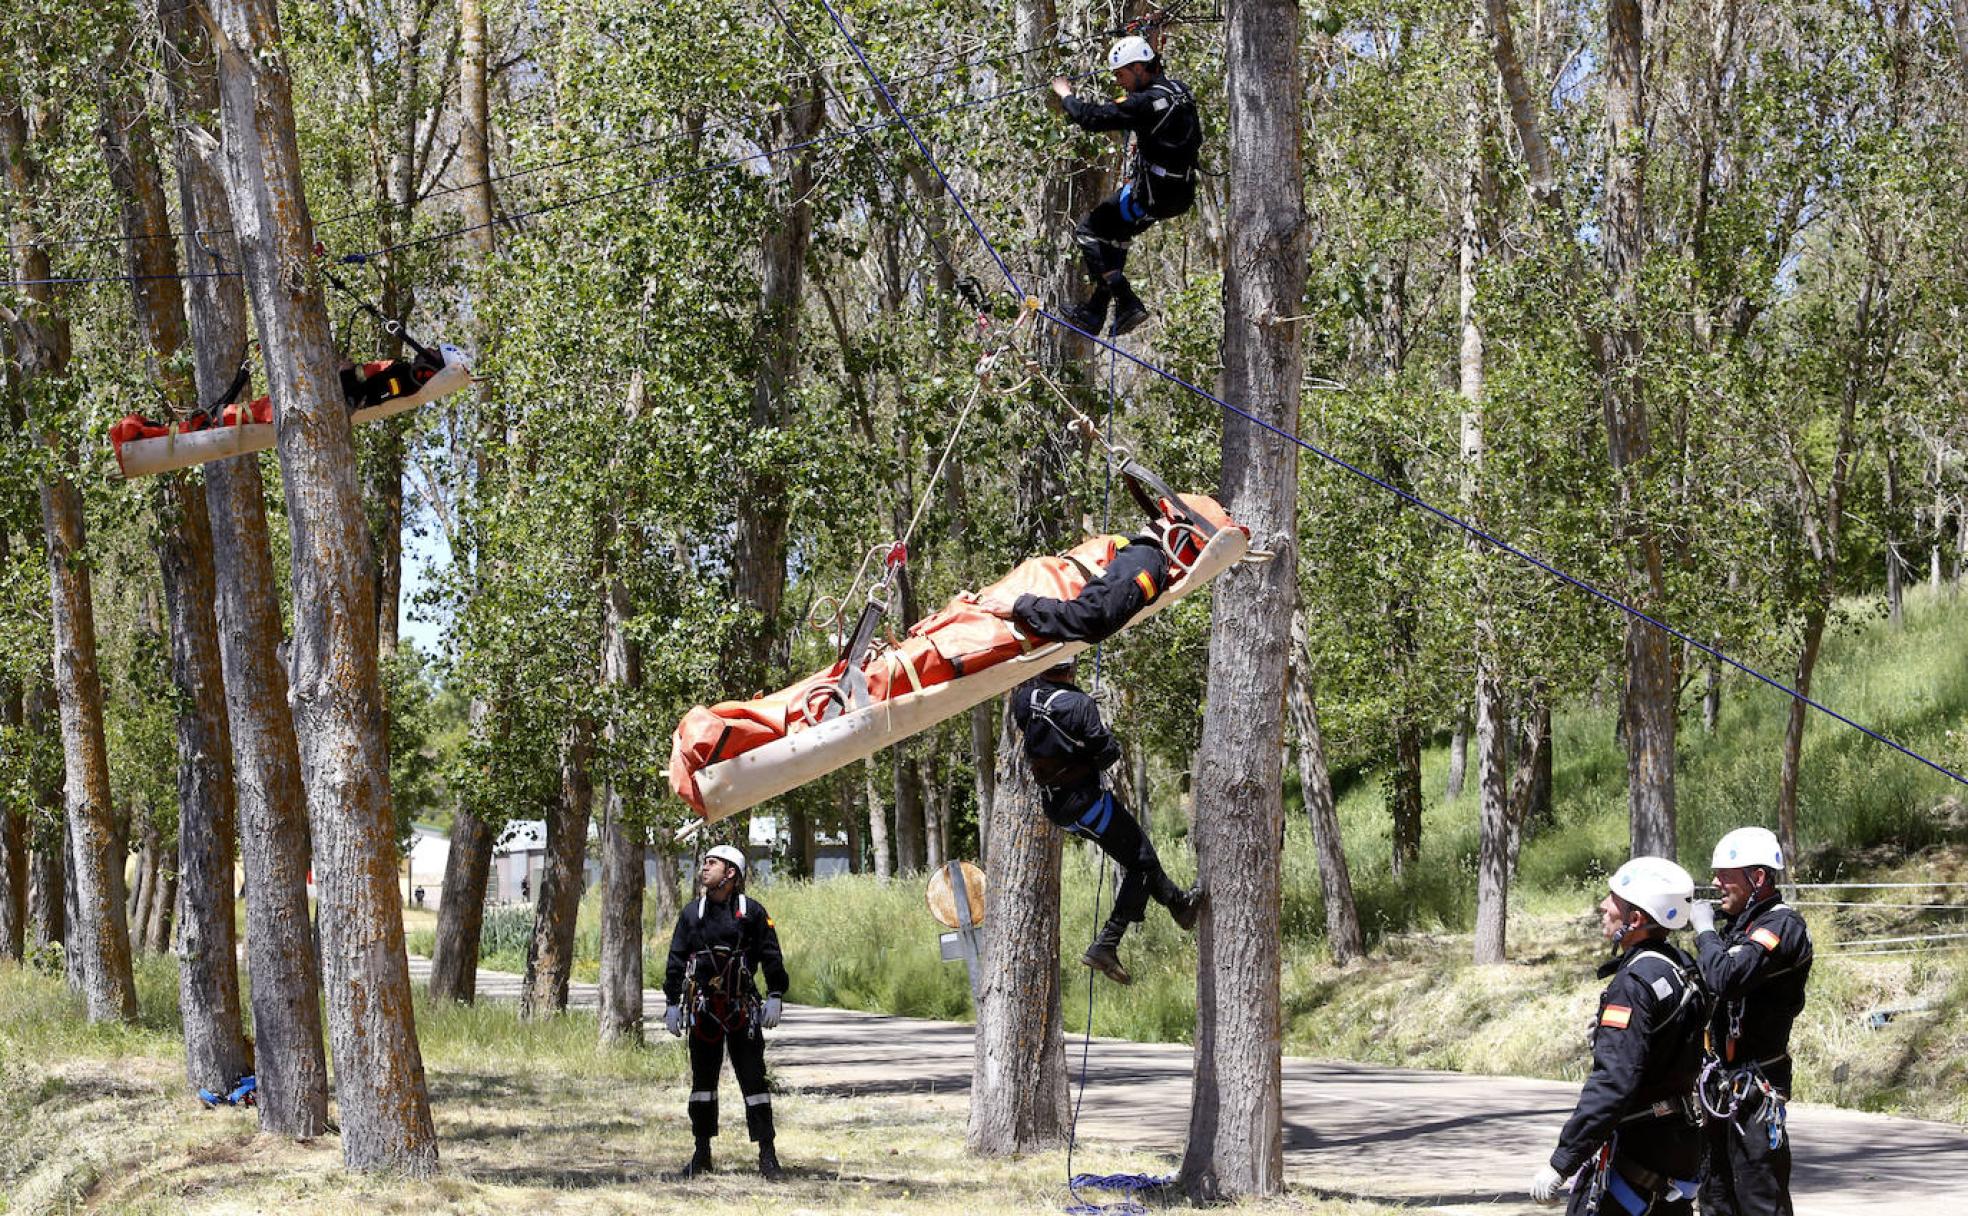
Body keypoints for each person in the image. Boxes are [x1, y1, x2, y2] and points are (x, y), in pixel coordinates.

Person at [1008, 658, 1200, 984]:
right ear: (1072, 668)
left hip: (1057, 806)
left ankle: (1180, 905)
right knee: (1141, 862)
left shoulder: (1024, 699)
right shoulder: (1079, 705)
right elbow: (1106, 753)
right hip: (1086, 803)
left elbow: (1045, 728)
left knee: (1139, 857)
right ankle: (1107, 944)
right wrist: (1098, 726)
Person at [1531, 856, 1705, 1214]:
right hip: (1677, 1146)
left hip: (1639, 1154)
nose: (1603, 906)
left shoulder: (1633, 984)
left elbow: (1613, 1082)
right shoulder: (1682, 968)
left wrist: (1562, 1162)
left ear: (1636, 919)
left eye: (1614, 900)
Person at [1689, 827, 1813, 1216]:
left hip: (1756, 1089)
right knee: (1716, 1198)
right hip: (1721, 1087)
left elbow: (1728, 978)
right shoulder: (1738, 928)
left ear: (1757, 878)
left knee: (1760, 1199)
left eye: (1725, 874)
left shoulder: (1781, 925)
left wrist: (1705, 931)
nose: (1715, 882)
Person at [1051, 35, 1202, 338]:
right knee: (1115, 237)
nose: (1119, 82)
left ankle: (1127, 301)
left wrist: (1065, 94)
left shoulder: (1143, 103)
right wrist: (1151, 29)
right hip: (1178, 192)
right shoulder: (1178, 90)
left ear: (1138, 67)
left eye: (1121, 75)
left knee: (1088, 231)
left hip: (1151, 194)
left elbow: (1090, 118)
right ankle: (1095, 313)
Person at [663, 844, 790, 1178]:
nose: (704, 868)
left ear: (730, 873)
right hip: (703, 1012)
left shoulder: (753, 913)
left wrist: (775, 993)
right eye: (704, 863)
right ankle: (701, 1152)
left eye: (712, 863)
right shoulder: (692, 913)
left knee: (754, 1082)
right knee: (702, 1084)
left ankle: (767, 1154)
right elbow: (676, 960)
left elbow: (771, 955)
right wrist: (671, 1004)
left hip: (742, 1012)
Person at [974, 515, 1201, 645]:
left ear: (1178, 533)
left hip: (999, 624)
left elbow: (1092, 616)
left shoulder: (1146, 559)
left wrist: (1019, 607)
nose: (1158, 517)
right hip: (998, 611)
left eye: (1166, 515)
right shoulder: (1140, 554)